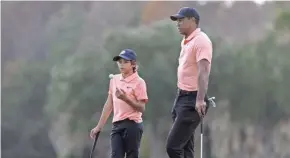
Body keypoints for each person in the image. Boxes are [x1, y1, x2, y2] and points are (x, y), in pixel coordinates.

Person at [166, 7, 213, 158]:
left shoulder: (201, 41)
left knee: (173, 148)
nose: (177, 23)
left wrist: (200, 99)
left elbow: (203, 71)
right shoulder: (186, 41)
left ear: (193, 20)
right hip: (181, 97)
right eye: (177, 21)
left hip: (193, 100)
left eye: (181, 20)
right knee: (185, 148)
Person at [90, 49, 149, 158]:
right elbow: (109, 104)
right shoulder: (114, 80)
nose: (121, 65)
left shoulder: (139, 82)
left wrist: (125, 98)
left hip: (133, 125)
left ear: (133, 64)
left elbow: (141, 108)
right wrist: (99, 126)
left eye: (125, 62)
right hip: (117, 125)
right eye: (119, 62)